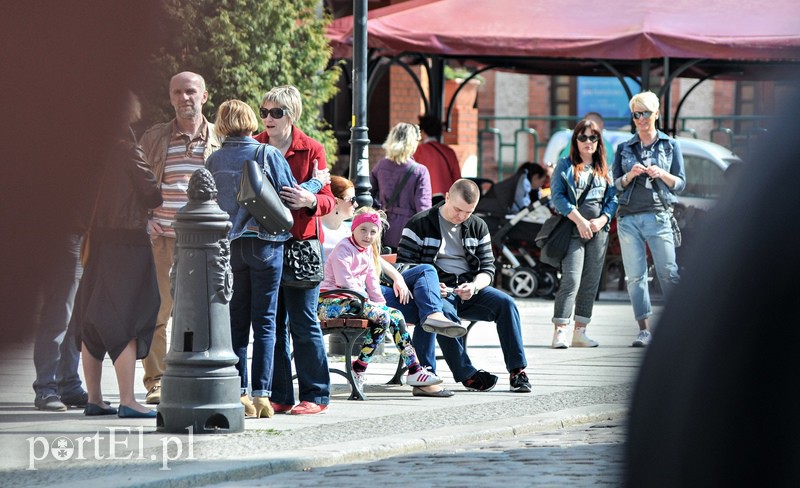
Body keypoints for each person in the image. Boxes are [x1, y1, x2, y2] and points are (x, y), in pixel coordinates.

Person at [321, 175, 463, 397]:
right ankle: (359, 368)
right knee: (383, 316)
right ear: (354, 230)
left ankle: (414, 369)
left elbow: (371, 280)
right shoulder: (343, 249)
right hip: (332, 301)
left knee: (393, 314)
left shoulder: (366, 250)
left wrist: (380, 303)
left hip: (355, 300)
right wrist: (373, 306)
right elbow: (345, 282)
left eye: (372, 232)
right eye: (363, 230)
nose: (368, 236)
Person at [206, 100, 303, 418]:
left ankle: (240, 393)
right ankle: (263, 397)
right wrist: (316, 185)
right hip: (266, 245)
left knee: (236, 323)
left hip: (230, 249)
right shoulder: (268, 154)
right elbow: (289, 194)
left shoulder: (214, 160)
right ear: (250, 121)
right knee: (266, 322)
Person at [71, 91, 162, 418]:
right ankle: (128, 400)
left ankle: (95, 398)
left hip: (97, 242)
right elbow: (153, 194)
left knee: (92, 316)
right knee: (129, 316)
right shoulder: (126, 149)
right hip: (128, 244)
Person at [397, 179, 532, 393]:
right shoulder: (419, 223)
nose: (461, 216)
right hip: (436, 293)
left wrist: (475, 287)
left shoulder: (478, 226)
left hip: (470, 289)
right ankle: (467, 375)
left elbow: (488, 268)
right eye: (457, 209)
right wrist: (428, 285)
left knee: (507, 304)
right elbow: (403, 266)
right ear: (447, 197)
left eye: (468, 212)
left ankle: (518, 372)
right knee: (444, 315)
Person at [139, 71, 222, 405]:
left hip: (203, 244)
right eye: (177, 92)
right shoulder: (155, 138)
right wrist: (145, 220)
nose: (184, 98)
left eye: (190, 92)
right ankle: (156, 382)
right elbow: (133, 183)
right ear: (170, 97)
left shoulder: (221, 138)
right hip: (160, 239)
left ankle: (199, 376)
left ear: (204, 96)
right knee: (157, 313)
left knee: (204, 313)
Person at [254, 85, 334, 416]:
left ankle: (316, 395)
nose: (268, 119)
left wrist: (311, 199)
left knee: (303, 323)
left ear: (292, 115)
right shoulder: (255, 145)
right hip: (264, 246)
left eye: (276, 112)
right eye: (264, 112)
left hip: (301, 247)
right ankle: (280, 395)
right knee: (271, 324)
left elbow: (330, 200)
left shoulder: (312, 149)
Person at [612, 91, 684, 347]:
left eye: (645, 113)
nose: (641, 119)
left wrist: (662, 173)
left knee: (668, 272)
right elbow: (615, 185)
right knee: (635, 276)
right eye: (636, 114)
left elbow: (681, 183)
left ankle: (678, 326)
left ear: (656, 114)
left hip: (659, 215)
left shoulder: (670, 145)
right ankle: (644, 329)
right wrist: (630, 175)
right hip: (628, 218)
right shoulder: (624, 147)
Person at [549, 119, 618, 349]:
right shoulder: (565, 164)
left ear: (599, 141)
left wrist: (602, 219)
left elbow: (612, 199)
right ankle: (560, 330)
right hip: (573, 229)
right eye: (583, 137)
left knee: (590, 282)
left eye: (593, 137)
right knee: (571, 278)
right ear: (575, 140)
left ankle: (580, 332)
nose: (588, 142)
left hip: (598, 232)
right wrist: (579, 219)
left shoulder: (604, 168)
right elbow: (557, 196)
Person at [31, 219, 88, 411]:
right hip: (65, 231)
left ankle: (68, 384)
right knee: (59, 315)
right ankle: (46, 387)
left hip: (84, 234)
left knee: (74, 318)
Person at [370, 122, 432, 249]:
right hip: (408, 232)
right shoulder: (420, 171)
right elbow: (423, 209)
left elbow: (368, 194)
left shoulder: (381, 165)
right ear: (412, 143)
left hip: (383, 228)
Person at [414, 114, 462, 202]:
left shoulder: (418, 151)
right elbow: (457, 179)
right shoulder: (449, 152)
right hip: (447, 198)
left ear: (423, 132)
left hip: (425, 197)